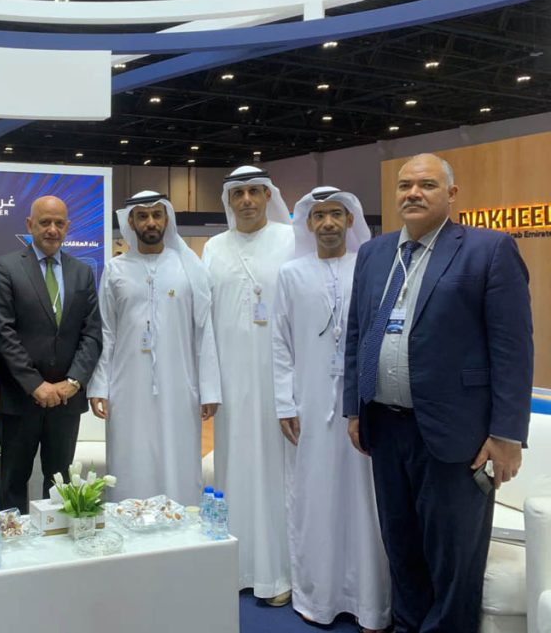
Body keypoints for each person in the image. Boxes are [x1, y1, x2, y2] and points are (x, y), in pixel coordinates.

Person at [344, 153, 532, 633]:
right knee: (401, 549)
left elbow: (512, 348)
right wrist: (354, 409)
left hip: (457, 435)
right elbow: (357, 335)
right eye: (405, 185)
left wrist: (507, 434)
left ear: (451, 194)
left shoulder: (489, 250)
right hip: (385, 428)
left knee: (453, 562)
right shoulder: (374, 254)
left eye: (426, 184)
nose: (413, 193)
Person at [272, 187, 390, 632]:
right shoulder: (291, 274)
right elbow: (280, 343)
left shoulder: (369, 267)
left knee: (366, 500)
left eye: (336, 214)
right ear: (308, 223)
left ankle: (371, 603)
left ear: (350, 219)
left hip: (364, 406)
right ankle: (317, 598)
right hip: (309, 404)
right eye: (319, 216)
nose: (327, 223)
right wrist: (284, 401)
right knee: (313, 495)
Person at [89, 191, 220, 505]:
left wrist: (209, 389)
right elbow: (106, 331)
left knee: (179, 456)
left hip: (179, 385)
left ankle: (181, 520)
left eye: (157, 215)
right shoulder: (115, 269)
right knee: (129, 456)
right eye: (143, 216)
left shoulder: (189, 268)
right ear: (131, 222)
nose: (150, 222)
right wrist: (99, 386)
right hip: (126, 386)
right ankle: (127, 524)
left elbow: (204, 331)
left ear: (167, 219)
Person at [201, 165, 294, 605]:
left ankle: (279, 572)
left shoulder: (291, 240)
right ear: (228, 200)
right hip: (230, 383)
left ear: (268, 195)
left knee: (279, 474)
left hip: (279, 381)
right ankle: (235, 567)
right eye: (238, 193)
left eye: (255, 191)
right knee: (233, 469)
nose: (247, 201)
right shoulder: (214, 248)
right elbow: (204, 321)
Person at [0, 196, 102, 512]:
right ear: (30, 225)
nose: (52, 229)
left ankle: (56, 540)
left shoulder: (82, 272)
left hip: (66, 400)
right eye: (44, 222)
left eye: (59, 223)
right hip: (20, 398)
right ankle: (14, 540)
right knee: (13, 482)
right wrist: (35, 385)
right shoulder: (6, 268)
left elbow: (92, 333)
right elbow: (3, 332)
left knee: (61, 483)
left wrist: (74, 382)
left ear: (67, 227)